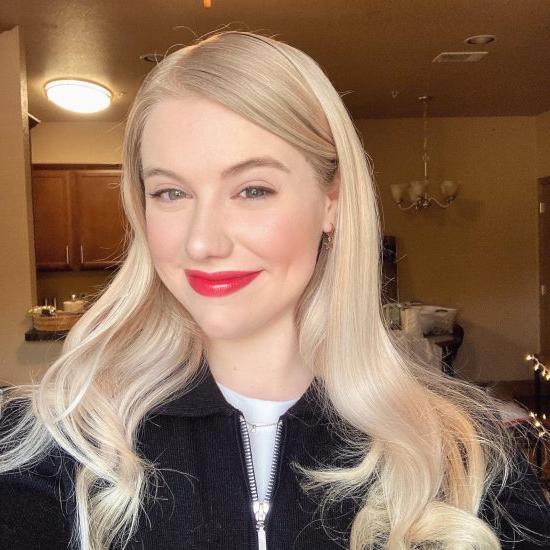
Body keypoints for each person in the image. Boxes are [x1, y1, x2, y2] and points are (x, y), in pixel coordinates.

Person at [1, 29, 550, 550]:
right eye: (170, 193)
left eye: (253, 189)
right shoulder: (58, 443)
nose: (202, 243)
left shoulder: (466, 454)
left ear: (332, 200)